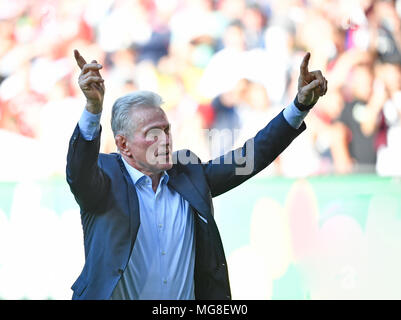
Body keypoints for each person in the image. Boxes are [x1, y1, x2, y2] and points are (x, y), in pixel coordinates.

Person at [66, 49, 327, 300]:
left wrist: (300, 106)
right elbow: (78, 173)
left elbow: (252, 156)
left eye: (167, 130)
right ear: (123, 145)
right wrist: (92, 108)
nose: (166, 140)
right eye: (153, 134)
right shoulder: (104, 179)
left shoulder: (189, 173)